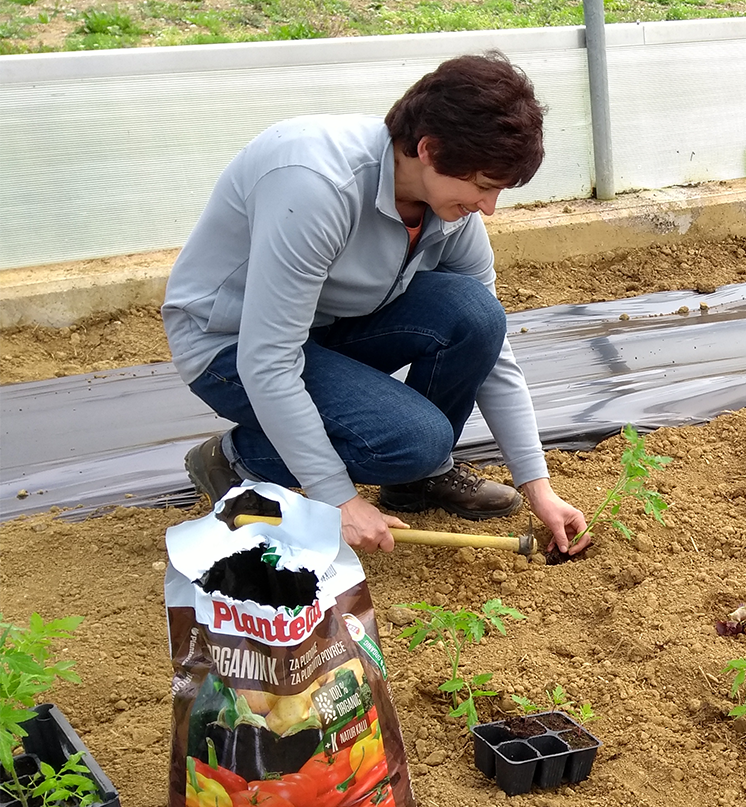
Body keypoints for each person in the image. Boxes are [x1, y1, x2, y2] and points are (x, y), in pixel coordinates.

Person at [161, 51, 587, 555]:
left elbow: (491, 346)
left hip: (327, 325)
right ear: (429, 149)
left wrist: (537, 485)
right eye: (482, 186)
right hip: (229, 344)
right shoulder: (317, 187)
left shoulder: (449, 209)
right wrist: (338, 499)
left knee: (473, 312)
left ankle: (417, 479)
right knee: (416, 440)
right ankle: (234, 458)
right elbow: (268, 359)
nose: (488, 207)